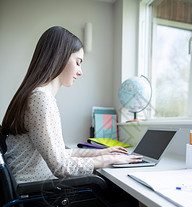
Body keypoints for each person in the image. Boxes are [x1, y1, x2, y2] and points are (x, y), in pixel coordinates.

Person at [1, 26, 142, 184]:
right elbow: (61, 167)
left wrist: (102, 154)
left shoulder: (37, 95)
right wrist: (106, 160)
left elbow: (60, 154)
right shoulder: (40, 99)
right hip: (34, 194)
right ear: (59, 57)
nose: (80, 71)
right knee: (114, 193)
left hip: (31, 188)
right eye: (78, 62)